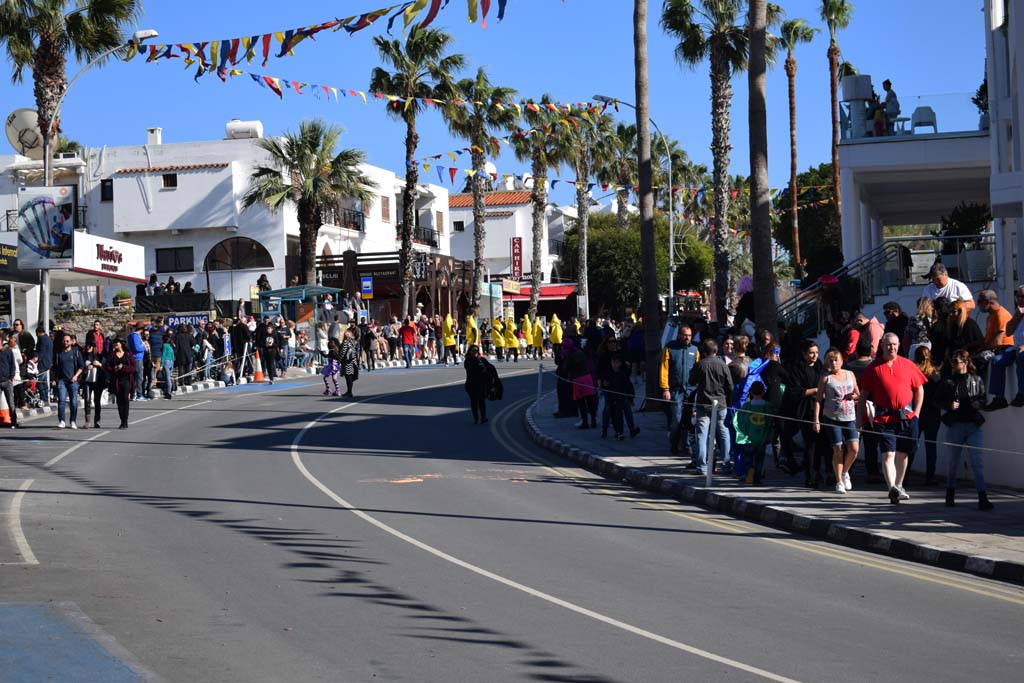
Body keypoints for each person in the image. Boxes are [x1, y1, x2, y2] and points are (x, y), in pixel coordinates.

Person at [858, 333, 926, 504]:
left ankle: (899, 485)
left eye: (895, 344)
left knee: (903, 454)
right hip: (884, 418)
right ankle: (892, 489)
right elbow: (863, 396)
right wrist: (860, 419)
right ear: (882, 345)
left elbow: (919, 390)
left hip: (907, 417)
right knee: (888, 454)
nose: (892, 348)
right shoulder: (873, 368)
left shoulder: (908, 365)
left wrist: (916, 413)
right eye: (889, 344)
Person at [939, 350, 993, 511]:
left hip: (973, 425)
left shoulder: (976, 380)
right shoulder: (948, 381)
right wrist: (949, 405)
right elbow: (936, 400)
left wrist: (979, 404)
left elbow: (983, 398)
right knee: (952, 463)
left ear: (965, 362)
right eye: (952, 361)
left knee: (977, 463)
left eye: (956, 361)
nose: (953, 364)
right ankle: (950, 496)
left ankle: (982, 498)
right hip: (955, 425)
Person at [814, 348, 860, 494]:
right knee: (838, 449)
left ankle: (846, 472)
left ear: (842, 361)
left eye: (836, 360)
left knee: (854, 448)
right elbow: (818, 399)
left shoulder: (850, 374)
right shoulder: (826, 377)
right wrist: (816, 419)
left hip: (850, 416)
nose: (834, 363)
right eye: (831, 360)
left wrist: (854, 396)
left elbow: (858, 393)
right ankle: (839, 480)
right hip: (832, 417)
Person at [781, 339, 825, 486]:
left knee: (820, 443)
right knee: (810, 443)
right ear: (804, 354)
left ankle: (817, 471)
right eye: (811, 353)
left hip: (820, 407)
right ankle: (810, 475)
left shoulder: (820, 367)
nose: (814, 356)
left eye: (816, 353)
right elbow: (794, 390)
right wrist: (814, 391)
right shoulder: (797, 369)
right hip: (804, 409)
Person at [689, 338, 733, 475]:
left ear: (703, 351)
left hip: (703, 403)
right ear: (716, 350)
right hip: (720, 403)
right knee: (724, 433)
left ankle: (701, 465)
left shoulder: (700, 365)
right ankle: (726, 464)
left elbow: (691, 381)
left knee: (701, 435)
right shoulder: (723, 365)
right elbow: (730, 386)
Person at [660, 324, 700, 457]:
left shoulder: (695, 350)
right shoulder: (670, 348)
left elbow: (698, 370)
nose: (687, 338)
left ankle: (687, 445)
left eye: (689, 335)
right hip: (675, 389)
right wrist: (665, 388)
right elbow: (664, 369)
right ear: (679, 335)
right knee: (677, 418)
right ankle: (674, 444)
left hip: (691, 390)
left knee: (689, 419)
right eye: (685, 335)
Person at [987, 285, 1024, 409]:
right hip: (1015, 347)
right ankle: (999, 398)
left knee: (1022, 357)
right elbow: (1008, 332)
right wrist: (1017, 317)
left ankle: (1022, 394)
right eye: (1017, 295)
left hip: (1022, 349)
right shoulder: (1019, 312)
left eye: (1022, 296)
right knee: (997, 361)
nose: (1019, 299)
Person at [914, 346, 943, 486]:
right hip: (933, 413)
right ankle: (930, 476)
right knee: (931, 446)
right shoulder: (935, 374)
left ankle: (905, 475)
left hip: (917, 412)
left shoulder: (914, 372)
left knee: (912, 445)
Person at [734, 381, 774, 484]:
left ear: (750, 393)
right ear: (763, 392)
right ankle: (757, 478)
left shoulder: (747, 406)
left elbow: (740, 421)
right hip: (762, 438)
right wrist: (769, 435)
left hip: (749, 438)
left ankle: (749, 474)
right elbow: (770, 423)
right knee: (759, 459)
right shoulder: (767, 406)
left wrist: (744, 433)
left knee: (748, 458)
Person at [54, 333, 84, 428]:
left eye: (67, 341)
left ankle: (73, 421)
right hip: (61, 380)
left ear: (71, 341)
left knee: (73, 402)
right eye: (64, 341)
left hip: (73, 380)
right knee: (61, 400)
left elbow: (81, 366)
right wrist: (54, 379)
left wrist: (76, 376)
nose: (65, 342)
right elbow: (54, 368)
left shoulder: (76, 352)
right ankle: (62, 420)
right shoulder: (58, 353)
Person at [104, 339, 135, 429]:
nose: (115, 344)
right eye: (114, 343)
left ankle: (125, 421)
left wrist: (123, 367)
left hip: (126, 380)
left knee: (125, 399)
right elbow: (107, 366)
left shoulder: (128, 354)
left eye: (117, 343)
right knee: (119, 401)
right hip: (117, 380)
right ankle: (122, 420)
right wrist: (114, 369)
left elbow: (133, 367)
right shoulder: (112, 355)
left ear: (121, 344)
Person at [463, 345, 495, 424]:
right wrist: (481, 366)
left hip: (481, 384)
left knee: (481, 400)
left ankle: (483, 417)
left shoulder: (482, 360)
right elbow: (473, 369)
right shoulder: (468, 360)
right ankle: (476, 418)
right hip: (471, 384)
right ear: (469, 352)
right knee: (474, 401)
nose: (474, 352)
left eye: (476, 351)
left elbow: (490, 368)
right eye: (473, 351)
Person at [82, 338, 107, 429]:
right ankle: (87, 421)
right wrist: (86, 369)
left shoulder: (100, 356)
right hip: (87, 381)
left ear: (94, 347)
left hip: (97, 381)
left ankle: (97, 420)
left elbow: (106, 369)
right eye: (87, 346)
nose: (88, 347)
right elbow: (79, 368)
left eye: (90, 346)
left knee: (97, 401)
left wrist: (99, 364)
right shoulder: (83, 356)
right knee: (87, 401)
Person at [0, 337, 18, 428]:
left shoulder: (7, 351)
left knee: (10, 402)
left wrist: (11, 377)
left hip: (7, 380)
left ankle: (14, 421)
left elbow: (12, 365)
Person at [126, 322, 146, 400]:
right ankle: (138, 394)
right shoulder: (135, 336)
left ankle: (133, 394)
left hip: (135, 357)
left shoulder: (132, 336)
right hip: (137, 358)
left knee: (134, 377)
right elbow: (137, 348)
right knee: (139, 377)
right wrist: (144, 347)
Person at [339, 328, 360, 397]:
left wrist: (340, 360)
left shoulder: (345, 342)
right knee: (350, 377)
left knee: (348, 378)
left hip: (347, 362)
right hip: (353, 362)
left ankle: (349, 392)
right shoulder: (351, 342)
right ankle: (349, 391)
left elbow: (343, 352)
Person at [35, 326, 52, 405]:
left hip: (42, 363)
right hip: (47, 362)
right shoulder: (48, 338)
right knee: (44, 381)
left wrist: (36, 360)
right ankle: (45, 398)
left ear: (38, 333)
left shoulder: (42, 339)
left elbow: (41, 351)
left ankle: (44, 398)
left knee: (40, 381)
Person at [160, 334, 175, 399]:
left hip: (166, 362)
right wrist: (173, 365)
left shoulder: (165, 345)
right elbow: (173, 356)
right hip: (171, 362)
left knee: (167, 378)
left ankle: (168, 393)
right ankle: (170, 390)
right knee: (169, 377)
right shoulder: (170, 346)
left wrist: (161, 364)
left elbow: (163, 355)